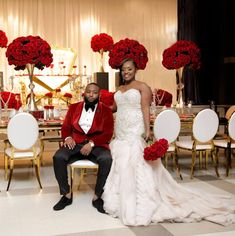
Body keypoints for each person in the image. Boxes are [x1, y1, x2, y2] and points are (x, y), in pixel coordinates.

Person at [102, 58, 235, 226]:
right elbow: (116, 107)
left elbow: (145, 108)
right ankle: (119, 196)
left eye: (129, 69)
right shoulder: (119, 89)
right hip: (120, 128)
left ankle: (138, 199)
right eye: (123, 69)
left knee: (133, 161)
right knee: (120, 161)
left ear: (135, 70)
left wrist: (148, 129)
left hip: (135, 128)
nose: (126, 72)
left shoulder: (142, 86)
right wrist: (100, 106)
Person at [53, 83, 114, 213]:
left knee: (106, 159)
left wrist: (91, 143)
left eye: (95, 92)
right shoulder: (74, 107)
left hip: (96, 144)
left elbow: (108, 133)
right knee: (58, 157)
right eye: (88, 92)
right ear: (84, 93)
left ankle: (97, 197)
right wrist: (67, 138)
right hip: (75, 143)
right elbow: (66, 127)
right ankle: (66, 195)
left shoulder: (106, 110)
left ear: (99, 95)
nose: (91, 95)